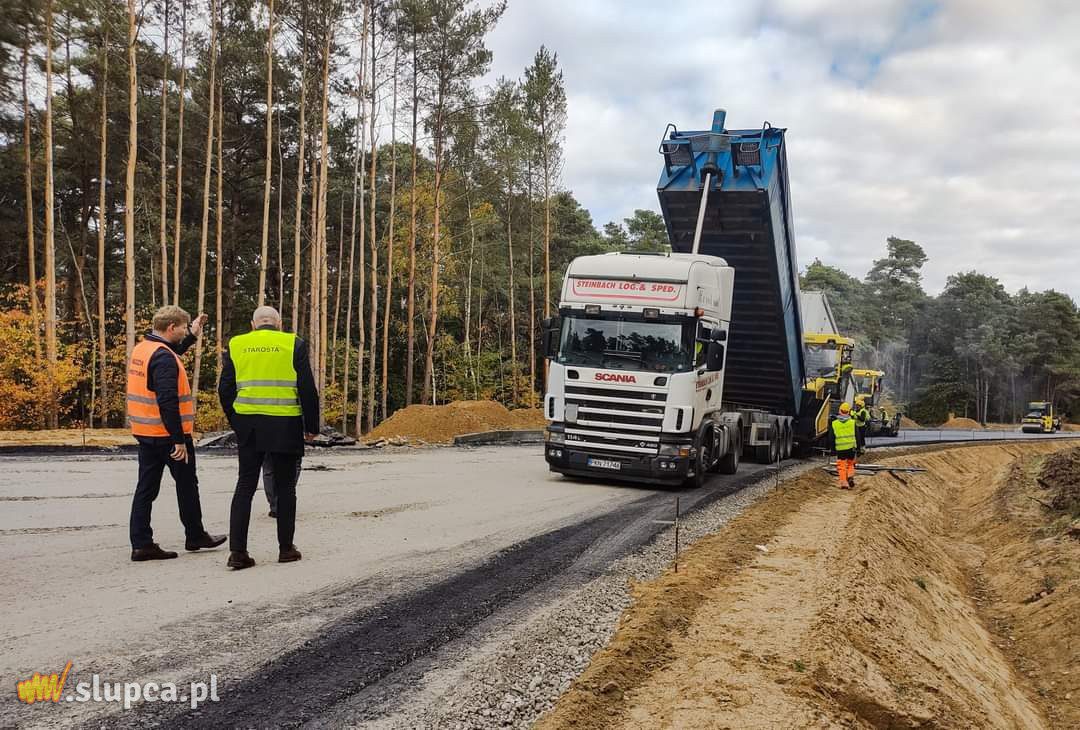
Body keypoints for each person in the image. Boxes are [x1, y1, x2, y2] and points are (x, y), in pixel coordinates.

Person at [219, 306, 320, 570]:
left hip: (249, 424)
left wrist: (236, 420)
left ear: (253, 325)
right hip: (285, 424)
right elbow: (307, 387)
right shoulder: (292, 343)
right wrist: (311, 425)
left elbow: (225, 388)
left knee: (245, 486)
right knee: (286, 488)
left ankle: (237, 552)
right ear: (279, 323)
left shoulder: (237, 344)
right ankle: (286, 549)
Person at [126, 305, 227, 561]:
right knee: (187, 484)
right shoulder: (163, 358)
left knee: (146, 488)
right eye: (182, 328)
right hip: (167, 435)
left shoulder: (145, 348)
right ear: (171, 327)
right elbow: (167, 400)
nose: (183, 332)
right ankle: (195, 535)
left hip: (145, 432)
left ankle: (141, 543)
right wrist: (178, 439)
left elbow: (175, 349)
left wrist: (194, 331)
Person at [831, 402, 858, 490]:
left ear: (839, 411)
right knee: (850, 464)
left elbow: (831, 437)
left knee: (841, 466)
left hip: (840, 449)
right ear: (849, 412)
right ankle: (850, 476)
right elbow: (858, 436)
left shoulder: (834, 423)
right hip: (851, 448)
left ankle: (844, 483)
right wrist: (859, 447)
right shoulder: (852, 423)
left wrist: (832, 449)